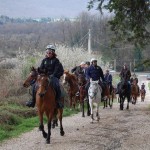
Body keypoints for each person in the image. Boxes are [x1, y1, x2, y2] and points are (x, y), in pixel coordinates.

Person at [26, 44, 64, 108]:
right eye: (47, 52)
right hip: (44, 76)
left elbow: (56, 69)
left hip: (53, 77)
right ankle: (33, 101)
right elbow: (41, 68)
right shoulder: (44, 60)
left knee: (57, 85)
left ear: (53, 52)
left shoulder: (56, 61)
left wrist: (53, 75)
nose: (48, 53)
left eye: (50, 52)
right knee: (35, 85)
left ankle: (58, 101)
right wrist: (38, 72)